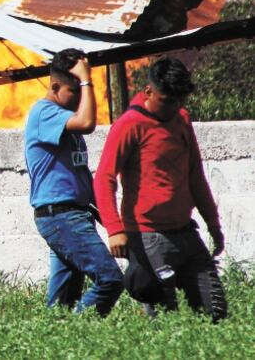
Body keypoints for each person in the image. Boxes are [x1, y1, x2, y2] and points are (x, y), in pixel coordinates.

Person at [94, 57, 227, 321]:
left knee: (216, 312)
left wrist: (213, 222)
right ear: (149, 92)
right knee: (165, 321)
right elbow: (104, 178)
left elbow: (195, 176)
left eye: (179, 101)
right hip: (147, 237)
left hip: (186, 232)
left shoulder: (182, 119)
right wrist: (115, 230)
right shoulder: (129, 125)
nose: (173, 108)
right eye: (167, 101)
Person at [24, 48, 123, 316]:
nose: (80, 97)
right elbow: (88, 122)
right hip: (61, 217)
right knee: (110, 279)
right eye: (75, 90)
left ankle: (56, 345)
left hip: (72, 215)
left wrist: (110, 219)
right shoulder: (45, 113)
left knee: (60, 307)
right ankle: (79, 332)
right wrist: (86, 80)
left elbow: (79, 174)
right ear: (55, 87)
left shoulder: (65, 124)